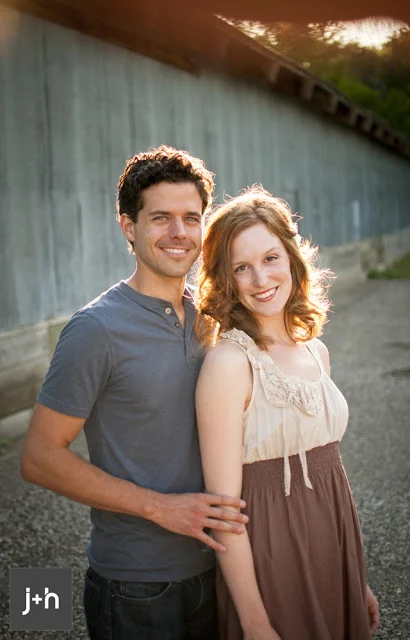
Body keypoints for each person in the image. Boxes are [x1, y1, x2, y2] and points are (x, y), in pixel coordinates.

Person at [20, 145, 248, 640]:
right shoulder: (95, 329)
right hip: (136, 587)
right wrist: (159, 507)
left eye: (191, 218)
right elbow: (38, 457)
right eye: (161, 218)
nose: (179, 232)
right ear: (129, 227)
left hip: (220, 569)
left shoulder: (211, 318)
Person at [195, 186, 380, 640]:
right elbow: (224, 512)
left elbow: (332, 475)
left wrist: (357, 580)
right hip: (272, 558)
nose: (260, 278)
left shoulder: (316, 350)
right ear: (226, 279)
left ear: (293, 259)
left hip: (334, 549)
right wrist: (255, 622)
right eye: (242, 267)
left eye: (270, 258)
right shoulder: (228, 364)